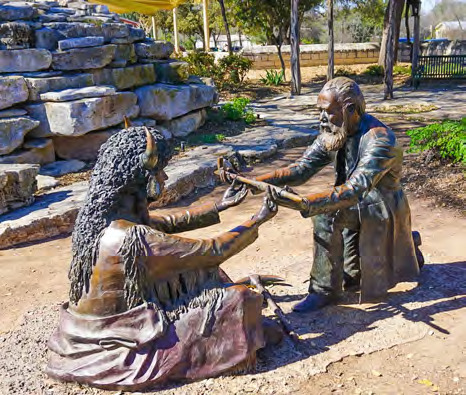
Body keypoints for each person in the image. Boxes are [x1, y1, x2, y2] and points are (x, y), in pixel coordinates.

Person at [46, 126, 278, 391]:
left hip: (87, 332)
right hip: (122, 344)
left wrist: (220, 206)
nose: (165, 176)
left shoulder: (102, 223)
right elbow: (212, 250)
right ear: (139, 177)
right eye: (159, 171)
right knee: (239, 298)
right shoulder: (132, 238)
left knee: (207, 277)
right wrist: (257, 220)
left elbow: (164, 222)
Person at [248, 77, 422, 312]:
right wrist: (253, 182)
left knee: (325, 215)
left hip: (379, 204)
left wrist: (308, 203)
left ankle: (323, 290)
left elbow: (356, 189)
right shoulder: (334, 133)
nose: (321, 118)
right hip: (354, 201)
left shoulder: (380, 139)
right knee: (352, 274)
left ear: (350, 110)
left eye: (328, 112)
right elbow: (300, 169)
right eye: (320, 111)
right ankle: (405, 246)